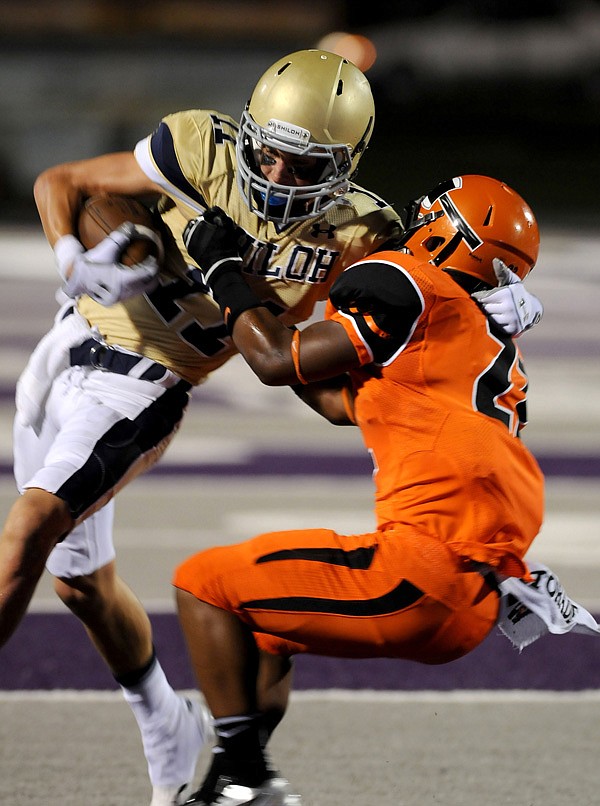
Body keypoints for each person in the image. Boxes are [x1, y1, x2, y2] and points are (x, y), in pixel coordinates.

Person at [0, 48, 540, 804]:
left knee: (32, 532)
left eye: (304, 165)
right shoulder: (200, 148)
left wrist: (490, 305)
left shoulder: (358, 233)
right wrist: (72, 255)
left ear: (345, 167)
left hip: (145, 379)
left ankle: (235, 770)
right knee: (81, 587)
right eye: (270, 154)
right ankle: (174, 729)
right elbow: (63, 183)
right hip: (67, 343)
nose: (278, 176)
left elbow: (400, 311)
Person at [171, 175, 548, 805]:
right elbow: (333, 401)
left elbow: (275, 360)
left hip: (417, 574)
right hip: (480, 599)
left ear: (450, 233)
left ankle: (244, 778)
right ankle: (228, 790)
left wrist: (225, 273)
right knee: (264, 635)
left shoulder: (409, 285)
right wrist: (263, 305)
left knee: (203, 586)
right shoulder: (481, 345)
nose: (413, 221)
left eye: (430, 215)